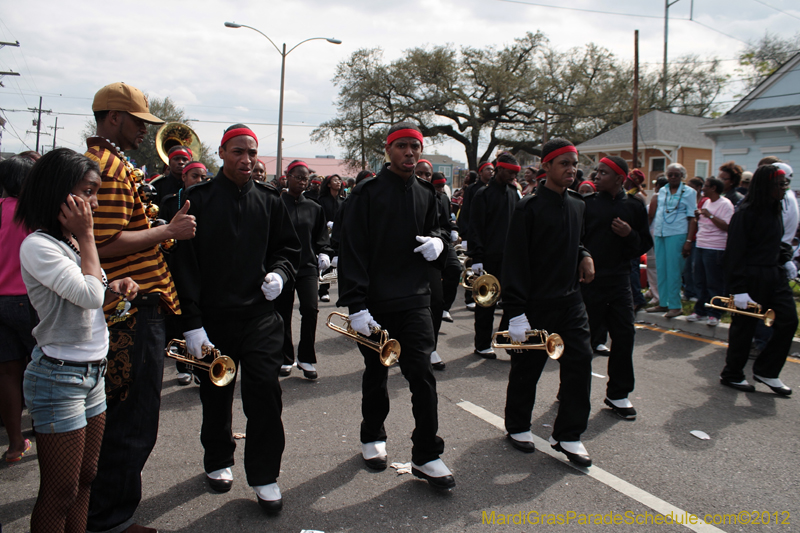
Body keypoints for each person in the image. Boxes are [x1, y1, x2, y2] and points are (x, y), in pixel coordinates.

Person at [170, 124, 301, 511]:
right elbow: (185, 265)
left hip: (260, 317)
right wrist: (191, 323)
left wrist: (280, 273)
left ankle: (265, 475)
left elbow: (288, 249)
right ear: (222, 154)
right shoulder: (199, 199)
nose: (246, 159)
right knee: (216, 393)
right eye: (238, 152)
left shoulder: (270, 200)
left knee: (264, 392)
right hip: (213, 319)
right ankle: (218, 458)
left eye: (251, 153)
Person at [85, 82, 196, 533]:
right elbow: (102, 244)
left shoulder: (107, 162)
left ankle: (104, 514)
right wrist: (165, 231)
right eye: (138, 122)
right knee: (131, 422)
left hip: (134, 307)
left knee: (126, 419)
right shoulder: (106, 167)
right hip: (131, 310)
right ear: (114, 117)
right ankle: (108, 520)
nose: (143, 131)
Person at [16, 148, 139, 533]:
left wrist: (114, 287)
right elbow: (87, 295)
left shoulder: (69, 242)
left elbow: (93, 292)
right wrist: (88, 237)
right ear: (58, 191)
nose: (94, 202)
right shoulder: (39, 245)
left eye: (96, 192)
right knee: (60, 492)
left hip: (92, 373)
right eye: (88, 191)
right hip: (58, 379)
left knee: (86, 479)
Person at [338, 121, 454, 489]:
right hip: (374, 302)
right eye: (402, 146)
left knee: (421, 374)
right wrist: (356, 306)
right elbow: (352, 249)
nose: (410, 153)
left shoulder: (426, 193)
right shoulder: (366, 193)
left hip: (417, 299)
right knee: (377, 373)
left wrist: (438, 243)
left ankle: (427, 454)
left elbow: (437, 229)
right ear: (388, 150)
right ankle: (373, 434)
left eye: (415, 147)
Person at [502, 138, 595, 466]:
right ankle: (517, 426)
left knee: (580, 363)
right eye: (563, 163)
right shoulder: (528, 207)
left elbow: (575, 240)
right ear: (547, 166)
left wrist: (584, 254)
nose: (571, 169)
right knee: (527, 369)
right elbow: (514, 260)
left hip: (571, 302)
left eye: (574, 163)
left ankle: (569, 434)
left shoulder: (578, 204)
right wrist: (515, 313)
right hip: (535, 303)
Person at [581, 156, 652, 420]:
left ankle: (618, 393)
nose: (596, 176)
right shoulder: (586, 204)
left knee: (624, 335)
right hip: (589, 282)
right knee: (582, 341)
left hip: (620, 281)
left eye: (603, 173)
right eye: (596, 171)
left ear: (620, 179)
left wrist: (629, 234)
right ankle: (571, 389)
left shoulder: (634, 206)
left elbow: (644, 243)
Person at [719, 165, 797, 396]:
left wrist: (786, 258)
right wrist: (739, 289)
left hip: (774, 274)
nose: (785, 189)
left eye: (786, 184)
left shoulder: (775, 208)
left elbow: (775, 241)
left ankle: (767, 371)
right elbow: (734, 253)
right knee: (744, 329)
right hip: (750, 278)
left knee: (788, 321)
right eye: (781, 184)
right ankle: (732, 374)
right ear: (767, 186)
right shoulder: (745, 213)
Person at [276, 160, 333, 379]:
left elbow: (321, 237)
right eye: (298, 177)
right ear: (287, 177)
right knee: (282, 312)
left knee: (310, 309)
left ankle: (306, 357)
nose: (302, 181)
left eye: (305, 178)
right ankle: (285, 357)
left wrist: (325, 252)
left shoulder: (314, 207)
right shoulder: (276, 204)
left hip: (307, 266)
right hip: (282, 267)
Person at [467, 153, 521, 358]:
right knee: (486, 303)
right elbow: (475, 227)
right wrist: (477, 257)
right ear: (499, 169)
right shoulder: (483, 194)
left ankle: (505, 339)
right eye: (510, 171)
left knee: (511, 302)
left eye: (516, 173)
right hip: (488, 257)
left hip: (509, 259)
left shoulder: (514, 193)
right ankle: (482, 344)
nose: (513, 176)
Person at [0, 155, 35, 464]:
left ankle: (14, 445)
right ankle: (45, 430)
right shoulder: (32, 215)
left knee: (8, 373)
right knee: (43, 366)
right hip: (27, 300)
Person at [647, 163, 697, 318]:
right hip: (660, 233)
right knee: (661, 268)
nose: (673, 177)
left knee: (674, 270)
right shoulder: (662, 191)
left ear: (682, 176)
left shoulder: (689, 192)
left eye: (676, 174)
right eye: (670, 175)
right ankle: (663, 303)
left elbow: (692, 218)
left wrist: (688, 241)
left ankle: (675, 305)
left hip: (677, 233)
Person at [685, 177, 733, 327]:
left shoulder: (725, 204)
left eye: (705, 186)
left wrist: (710, 215)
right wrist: (699, 216)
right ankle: (700, 310)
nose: (703, 189)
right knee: (699, 280)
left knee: (714, 282)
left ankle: (715, 313)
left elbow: (727, 226)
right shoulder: (706, 202)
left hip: (715, 247)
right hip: (701, 244)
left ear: (713, 188)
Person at [458, 162, 493, 310]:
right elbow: (466, 212)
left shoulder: (492, 190)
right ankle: (469, 297)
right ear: (480, 172)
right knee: (472, 269)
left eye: (492, 169)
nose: (491, 172)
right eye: (487, 169)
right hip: (473, 234)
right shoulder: (473, 189)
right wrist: (465, 236)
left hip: (488, 237)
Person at [317, 174, 344, 302]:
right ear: (328, 184)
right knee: (328, 263)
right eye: (335, 180)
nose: (338, 182)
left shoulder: (342, 201)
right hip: (326, 235)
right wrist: (327, 224)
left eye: (339, 180)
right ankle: (323, 290)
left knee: (342, 264)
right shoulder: (322, 200)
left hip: (339, 236)